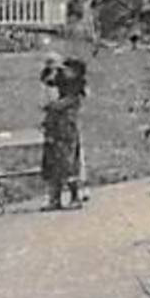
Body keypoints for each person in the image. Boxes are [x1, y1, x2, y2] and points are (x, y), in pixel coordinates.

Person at [40, 57, 88, 212]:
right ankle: (55, 198)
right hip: (54, 129)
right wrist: (50, 68)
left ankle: (75, 196)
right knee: (53, 164)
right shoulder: (61, 85)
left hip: (67, 130)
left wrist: (53, 107)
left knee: (68, 163)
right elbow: (47, 81)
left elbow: (64, 104)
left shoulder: (75, 94)